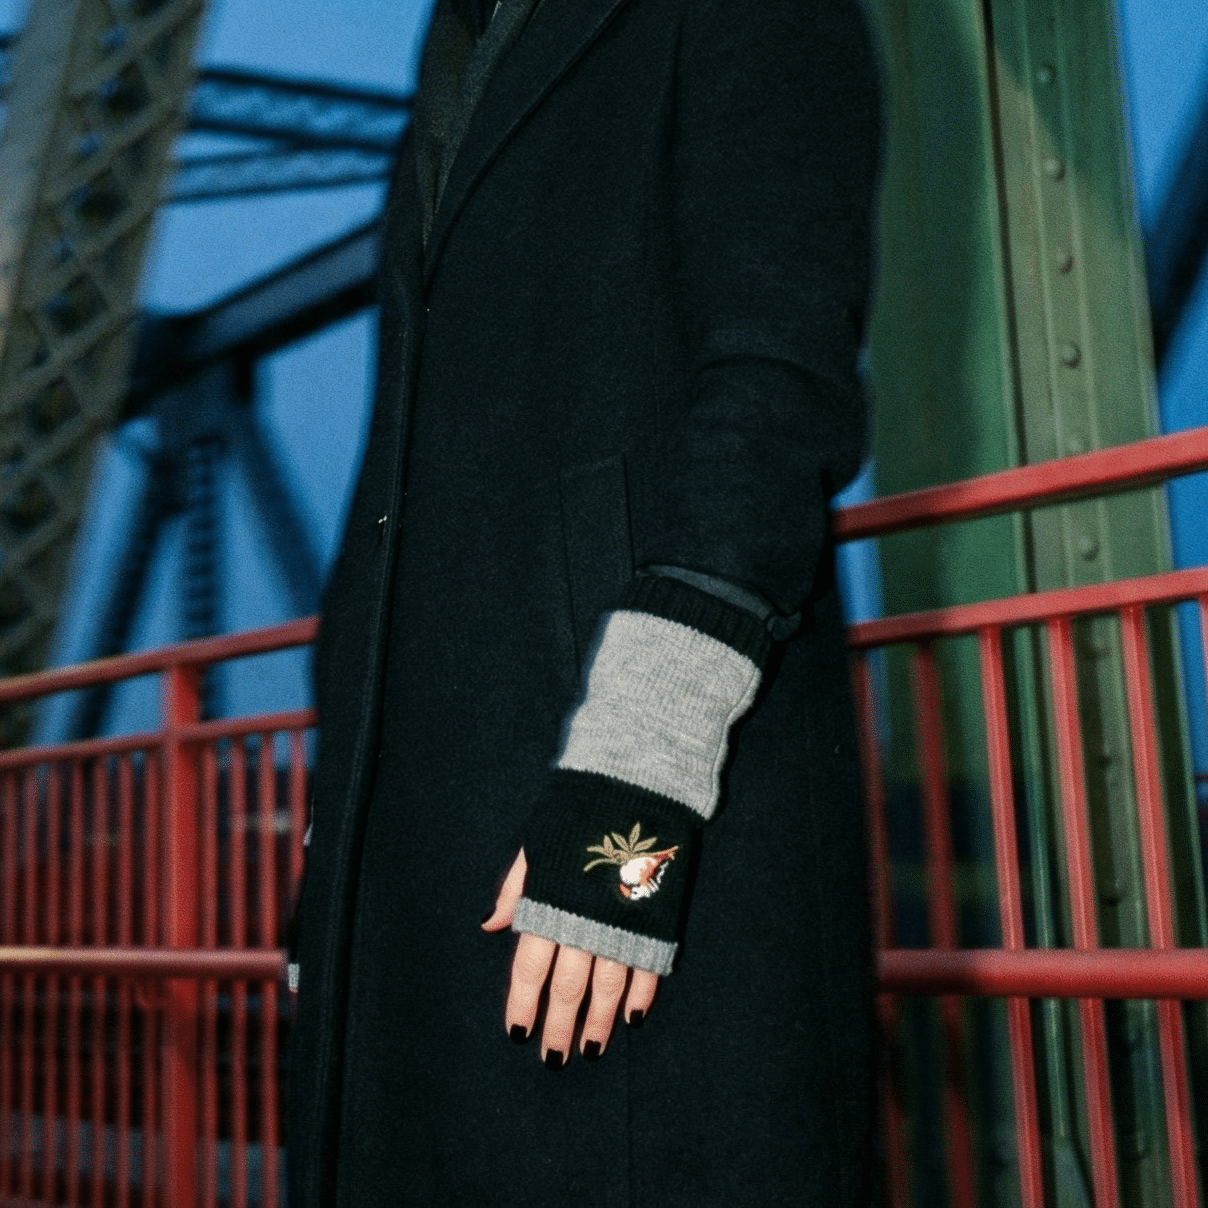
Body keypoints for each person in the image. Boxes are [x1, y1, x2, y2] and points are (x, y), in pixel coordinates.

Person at [287, 0, 882, 1201]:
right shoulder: (459, 34)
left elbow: (774, 389)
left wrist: (633, 789)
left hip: (628, 795)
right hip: (422, 830)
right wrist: (335, 849)